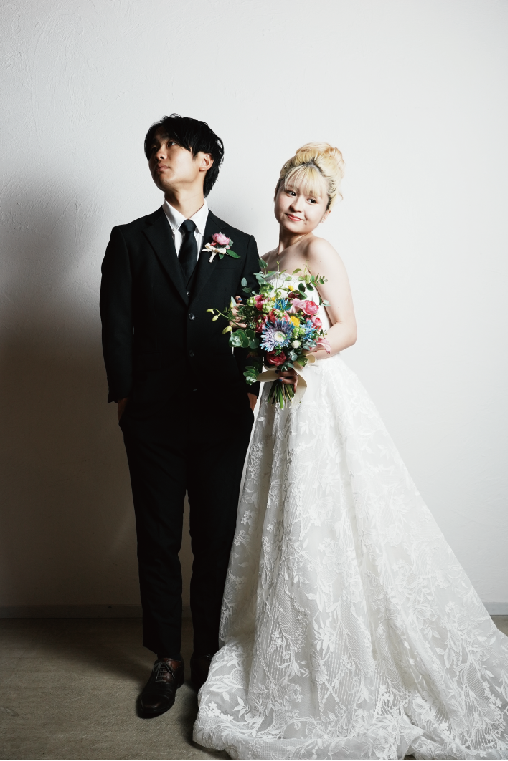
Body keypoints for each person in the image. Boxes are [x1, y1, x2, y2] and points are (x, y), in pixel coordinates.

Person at [193, 143, 508, 759]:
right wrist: (262, 364)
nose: (298, 206)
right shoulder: (265, 257)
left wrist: (292, 353)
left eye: (312, 199)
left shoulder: (319, 252)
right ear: (276, 193)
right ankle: (294, 632)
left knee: (325, 510)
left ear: (327, 209)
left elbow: (347, 328)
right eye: (291, 193)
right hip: (280, 399)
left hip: (317, 396)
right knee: (285, 515)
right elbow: (252, 335)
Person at [100, 114, 260, 718]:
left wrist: (249, 392)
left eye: (171, 146)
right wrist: (125, 399)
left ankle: (209, 654)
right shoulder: (129, 239)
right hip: (153, 421)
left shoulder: (239, 245)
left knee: (216, 541)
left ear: (204, 160)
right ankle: (166, 658)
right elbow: (116, 324)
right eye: (153, 148)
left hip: (222, 420)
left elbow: (252, 327)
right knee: (158, 540)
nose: (159, 155)